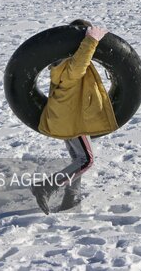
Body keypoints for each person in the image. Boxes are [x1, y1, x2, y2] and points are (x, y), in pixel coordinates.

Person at [31, 19, 118, 215]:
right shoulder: (69, 64)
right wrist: (91, 41)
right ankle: (46, 186)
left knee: (77, 158)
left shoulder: (59, 62)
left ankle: (72, 197)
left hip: (66, 116)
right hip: (72, 119)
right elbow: (78, 67)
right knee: (87, 160)